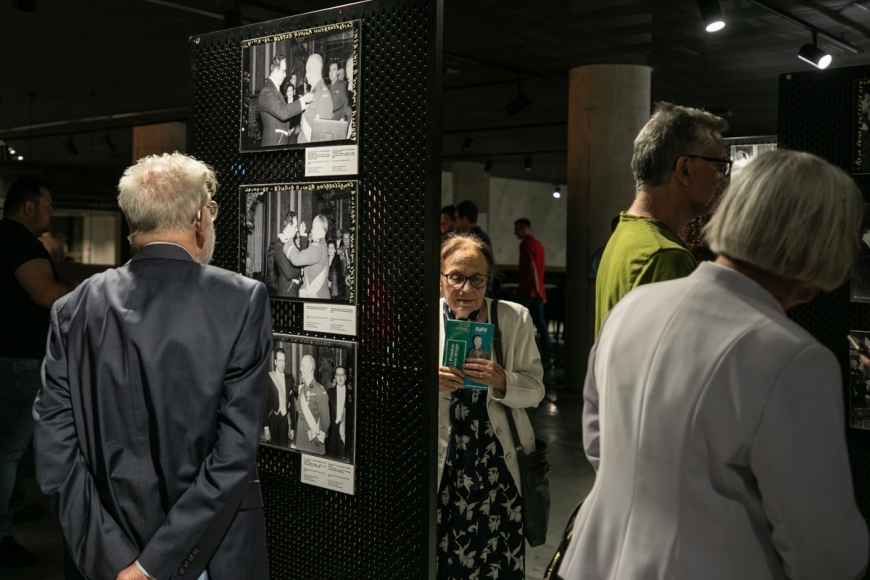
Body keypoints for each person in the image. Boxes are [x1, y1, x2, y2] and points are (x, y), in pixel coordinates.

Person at [559, 150, 870, 579]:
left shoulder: (634, 307)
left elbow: (598, 444)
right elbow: (826, 550)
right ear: (822, 243)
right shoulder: (793, 359)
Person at [32, 153, 272, 580]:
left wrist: (117, 564)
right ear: (200, 219)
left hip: (100, 564)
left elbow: (56, 458)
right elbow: (233, 454)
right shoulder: (241, 301)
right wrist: (150, 568)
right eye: (211, 211)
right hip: (206, 558)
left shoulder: (72, 309)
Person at [437, 233, 545, 580]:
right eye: (456, 276)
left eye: (477, 279)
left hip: (497, 467)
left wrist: (503, 381)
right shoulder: (422, 320)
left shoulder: (514, 318)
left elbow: (536, 390)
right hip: (443, 467)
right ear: (441, 278)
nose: (466, 289)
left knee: (496, 561)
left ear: (488, 280)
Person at [594, 102, 729, 337]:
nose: (723, 178)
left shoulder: (626, 232)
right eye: (719, 166)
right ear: (684, 169)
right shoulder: (666, 255)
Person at [0, 177, 71, 567]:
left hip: (5, 357)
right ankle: (2, 534)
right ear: (28, 207)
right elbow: (46, 294)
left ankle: (10, 511)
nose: (52, 212)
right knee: (9, 451)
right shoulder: (20, 241)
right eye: (47, 205)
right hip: (15, 360)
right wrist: (89, 294)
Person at [513, 218, 552, 366]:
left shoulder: (526, 244)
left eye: (517, 229)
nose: (514, 233)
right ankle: (547, 353)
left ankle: (518, 354)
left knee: (517, 322)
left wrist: (534, 289)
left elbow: (531, 267)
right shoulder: (538, 245)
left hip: (527, 291)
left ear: (524, 228)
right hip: (537, 291)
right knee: (540, 324)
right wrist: (539, 291)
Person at [258, 54, 314, 147]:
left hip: (280, 141)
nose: (285, 75)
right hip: (274, 143)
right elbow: (283, 112)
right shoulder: (266, 91)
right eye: (283, 71)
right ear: (275, 70)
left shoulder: (274, 90)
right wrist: (303, 100)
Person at [281, 214, 330, 299]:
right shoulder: (323, 245)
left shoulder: (317, 248)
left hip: (316, 298)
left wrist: (286, 241)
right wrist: (303, 235)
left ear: (317, 228)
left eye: (313, 227)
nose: (312, 230)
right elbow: (306, 256)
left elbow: (296, 259)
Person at [293, 354, 330, 456]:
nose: (300, 369)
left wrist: (319, 437)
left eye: (302, 366)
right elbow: (300, 413)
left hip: (313, 441)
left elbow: (326, 422)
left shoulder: (320, 391)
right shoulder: (301, 390)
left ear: (310, 368)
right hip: (301, 439)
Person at [298, 53, 333, 144]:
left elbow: (322, 135)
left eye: (308, 70)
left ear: (317, 70)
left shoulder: (323, 94)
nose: (306, 75)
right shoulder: (313, 91)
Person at [263, 348, 293, 447]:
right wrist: (266, 426)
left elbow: (292, 405)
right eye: (279, 360)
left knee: (284, 449)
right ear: (275, 362)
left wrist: (292, 427)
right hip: (272, 420)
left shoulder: (289, 379)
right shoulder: (269, 378)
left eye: (283, 360)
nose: (282, 363)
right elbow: (264, 404)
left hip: (284, 420)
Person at [272, 212, 305, 298]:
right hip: (287, 290)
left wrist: (302, 234)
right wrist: (302, 271)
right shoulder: (279, 245)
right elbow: (289, 273)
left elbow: (301, 258)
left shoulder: (291, 242)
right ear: (289, 226)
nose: (296, 229)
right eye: (295, 226)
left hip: (295, 288)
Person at [327, 366, 352, 461]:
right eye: (338, 375)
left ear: (345, 377)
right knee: (331, 458)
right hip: (332, 431)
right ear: (335, 377)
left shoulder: (350, 394)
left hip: (345, 432)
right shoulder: (330, 392)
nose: (340, 377)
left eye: (342, 375)